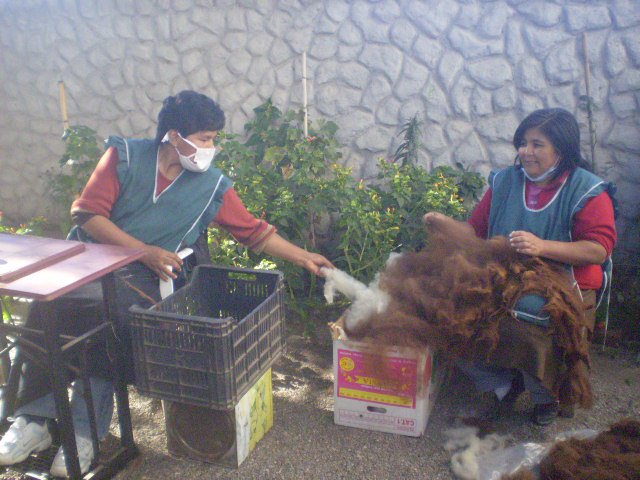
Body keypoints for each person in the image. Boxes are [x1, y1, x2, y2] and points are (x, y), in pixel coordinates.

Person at [0, 90, 333, 476]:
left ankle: (84, 431)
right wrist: (143, 250)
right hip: (88, 261)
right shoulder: (125, 156)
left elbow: (253, 232)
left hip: (144, 277)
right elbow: (88, 213)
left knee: (110, 318)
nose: (211, 148)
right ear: (175, 136)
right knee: (47, 307)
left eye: (214, 139)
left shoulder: (211, 186)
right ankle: (33, 421)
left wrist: (303, 256)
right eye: (205, 138)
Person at [423, 108, 617, 426]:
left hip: (564, 285)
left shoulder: (587, 190)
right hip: (506, 273)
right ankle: (501, 386)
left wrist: (542, 247)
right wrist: (445, 225)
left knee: (531, 318)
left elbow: (598, 249)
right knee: (447, 308)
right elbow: (475, 230)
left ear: (562, 150)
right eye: (523, 143)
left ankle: (546, 395)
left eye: (537, 144)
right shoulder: (505, 182)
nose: (526, 151)